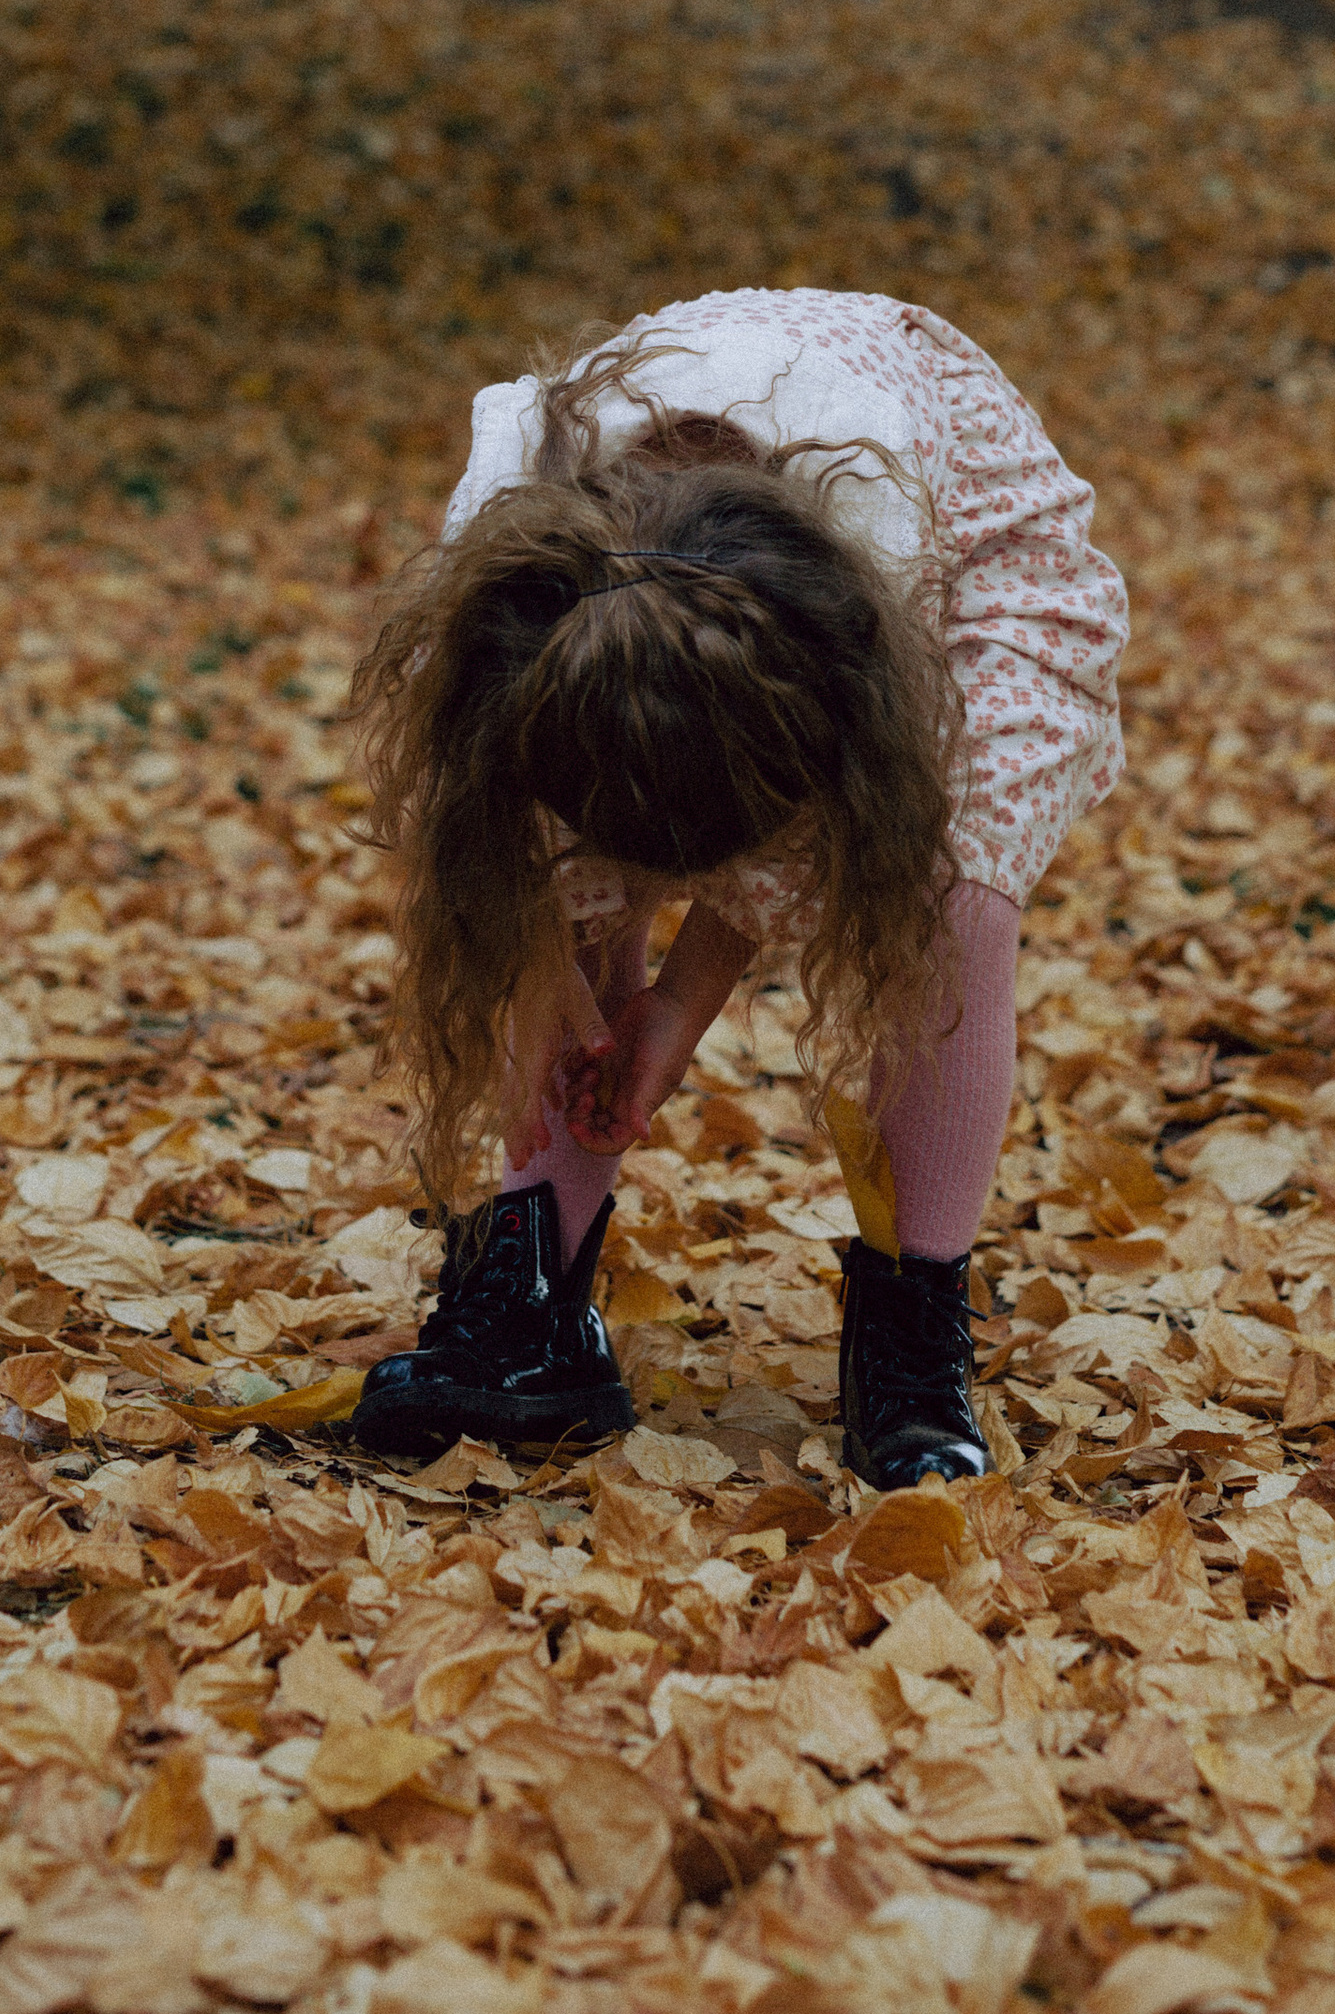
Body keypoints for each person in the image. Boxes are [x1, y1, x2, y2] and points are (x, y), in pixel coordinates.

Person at [344, 288, 1127, 1489]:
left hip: (961, 553)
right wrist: (556, 968)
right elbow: (491, 810)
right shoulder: (507, 556)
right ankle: (529, 1306)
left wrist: (679, 1003)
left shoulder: (877, 547)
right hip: (628, 622)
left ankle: (911, 1332)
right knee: (574, 871)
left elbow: (831, 811)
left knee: (949, 894)